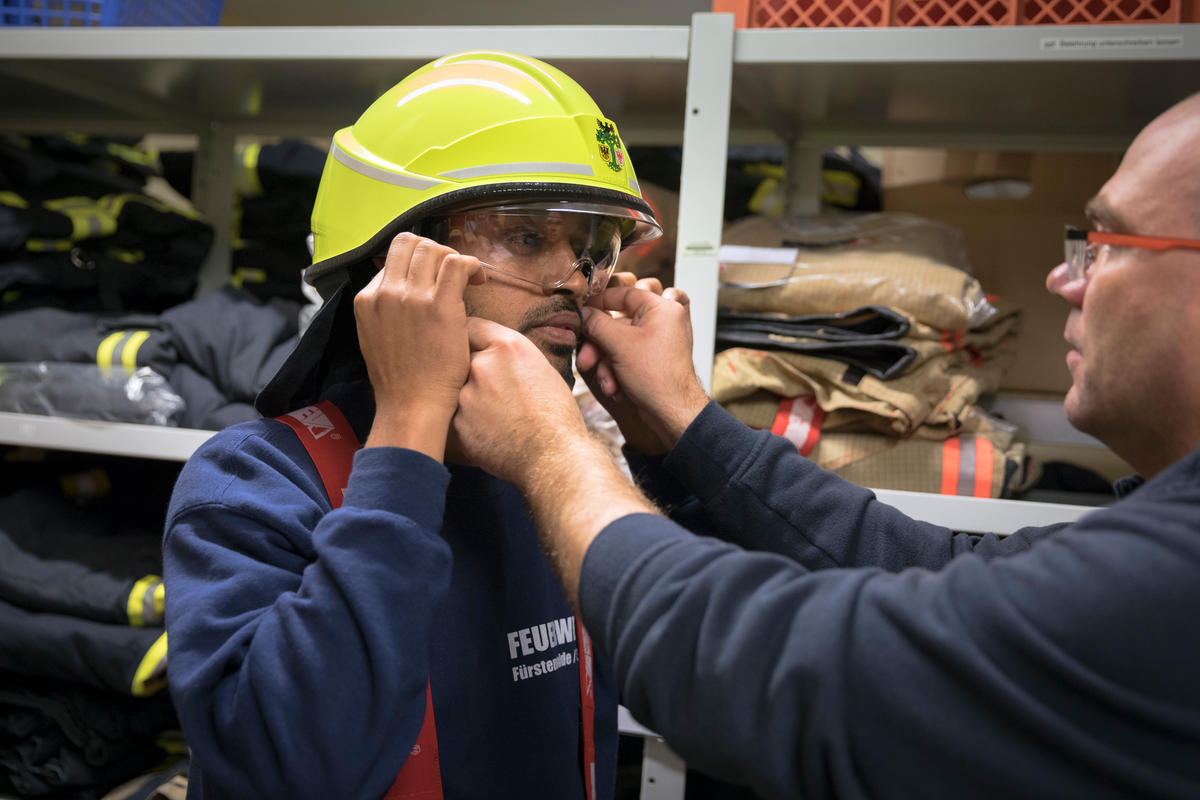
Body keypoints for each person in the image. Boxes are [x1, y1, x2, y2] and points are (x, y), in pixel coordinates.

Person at [451, 93, 1200, 799]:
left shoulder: (1171, 578)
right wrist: (685, 428)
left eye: (1107, 243)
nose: (1064, 277)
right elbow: (927, 569)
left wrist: (556, 452)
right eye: (523, 238)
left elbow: (763, 668)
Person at [162, 51, 663, 799]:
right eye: (527, 236)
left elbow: (707, 683)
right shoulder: (252, 482)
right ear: (393, 269)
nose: (574, 279)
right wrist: (408, 426)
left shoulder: (558, 470)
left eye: (590, 246)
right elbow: (284, 768)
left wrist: (664, 437)